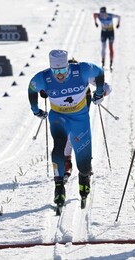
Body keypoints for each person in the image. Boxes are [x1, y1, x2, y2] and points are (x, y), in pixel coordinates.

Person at [28, 50, 107, 209]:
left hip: (80, 120)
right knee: (59, 147)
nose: (59, 75)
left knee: (84, 161)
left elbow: (99, 72)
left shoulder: (82, 70)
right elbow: (31, 88)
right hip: (59, 118)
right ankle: (59, 186)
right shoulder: (44, 77)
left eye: (63, 71)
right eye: (55, 71)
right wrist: (35, 109)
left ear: (68, 67)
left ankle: (84, 179)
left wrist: (99, 93)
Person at [41, 57, 112, 183]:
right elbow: (46, 86)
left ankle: (84, 164)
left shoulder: (84, 76)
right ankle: (66, 163)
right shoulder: (59, 77)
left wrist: (100, 93)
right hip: (64, 110)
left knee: (79, 134)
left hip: (82, 106)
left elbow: (107, 87)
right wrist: (44, 92)